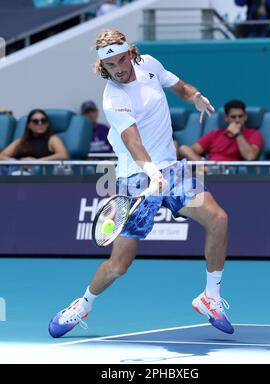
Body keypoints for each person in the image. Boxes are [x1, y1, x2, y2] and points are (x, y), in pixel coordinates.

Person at [48, 29, 234, 338]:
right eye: (110, 65)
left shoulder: (149, 64)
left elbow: (180, 87)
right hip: (136, 179)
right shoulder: (113, 96)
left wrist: (195, 97)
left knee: (218, 219)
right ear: (102, 68)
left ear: (131, 53)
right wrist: (150, 171)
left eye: (122, 60)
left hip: (172, 171)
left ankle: (210, 297)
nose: (119, 68)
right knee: (119, 265)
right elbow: (133, 141)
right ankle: (82, 305)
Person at [179, 100, 264, 162]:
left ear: (245, 117)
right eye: (233, 117)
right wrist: (201, 161)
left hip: (231, 175)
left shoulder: (254, 134)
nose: (237, 120)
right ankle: (206, 169)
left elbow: (250, 156)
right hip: (209, 169)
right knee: (184, 148)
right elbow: (192, 150)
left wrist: (238, 134)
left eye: (240, 116)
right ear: (226, 118)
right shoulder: (215, 134)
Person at [0, 109, 68, 161]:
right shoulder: (20, 141)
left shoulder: (52, 139)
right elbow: (1, 156)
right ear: (29, 125)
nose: (40, 123)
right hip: (17, 173)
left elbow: (63, 155)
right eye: (35, 121)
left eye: (43, 120)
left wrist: (36, 162)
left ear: (47, 124)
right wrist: (17, 162)